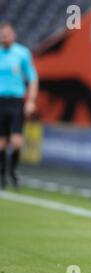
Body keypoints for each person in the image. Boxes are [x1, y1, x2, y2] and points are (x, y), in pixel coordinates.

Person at [0, 22, 38, 189]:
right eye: (2, 34)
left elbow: (32, 77)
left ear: (13, 35)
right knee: (1, 143)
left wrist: (31, 100)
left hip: (16, 102)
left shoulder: (22, 53)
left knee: (16, 142)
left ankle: (13, 171)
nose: (4, 37)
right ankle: (1, 175)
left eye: (6, 34)